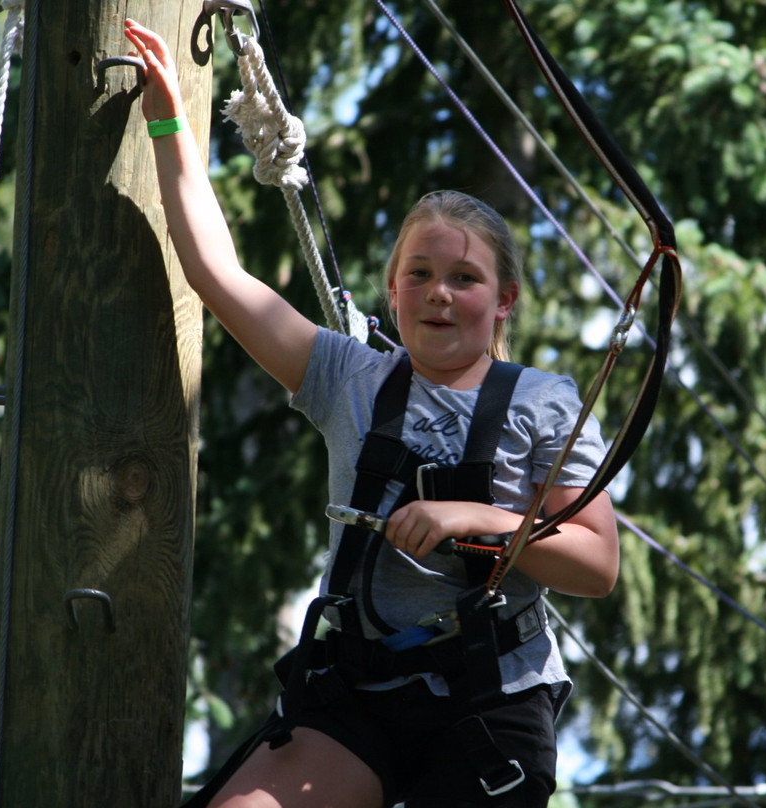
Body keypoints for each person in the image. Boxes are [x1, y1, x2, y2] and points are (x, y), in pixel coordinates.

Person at [124, 19, 619, 808]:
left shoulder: (542, 402)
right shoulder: (348, 377)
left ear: (503, 303)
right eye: (419, 274)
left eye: (465, 278)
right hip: (358, 697)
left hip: (490, 705)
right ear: (392, 293)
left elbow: (596, 564)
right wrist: (166, 121)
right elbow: (217, 274)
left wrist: (475, 518)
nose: (440, 293)